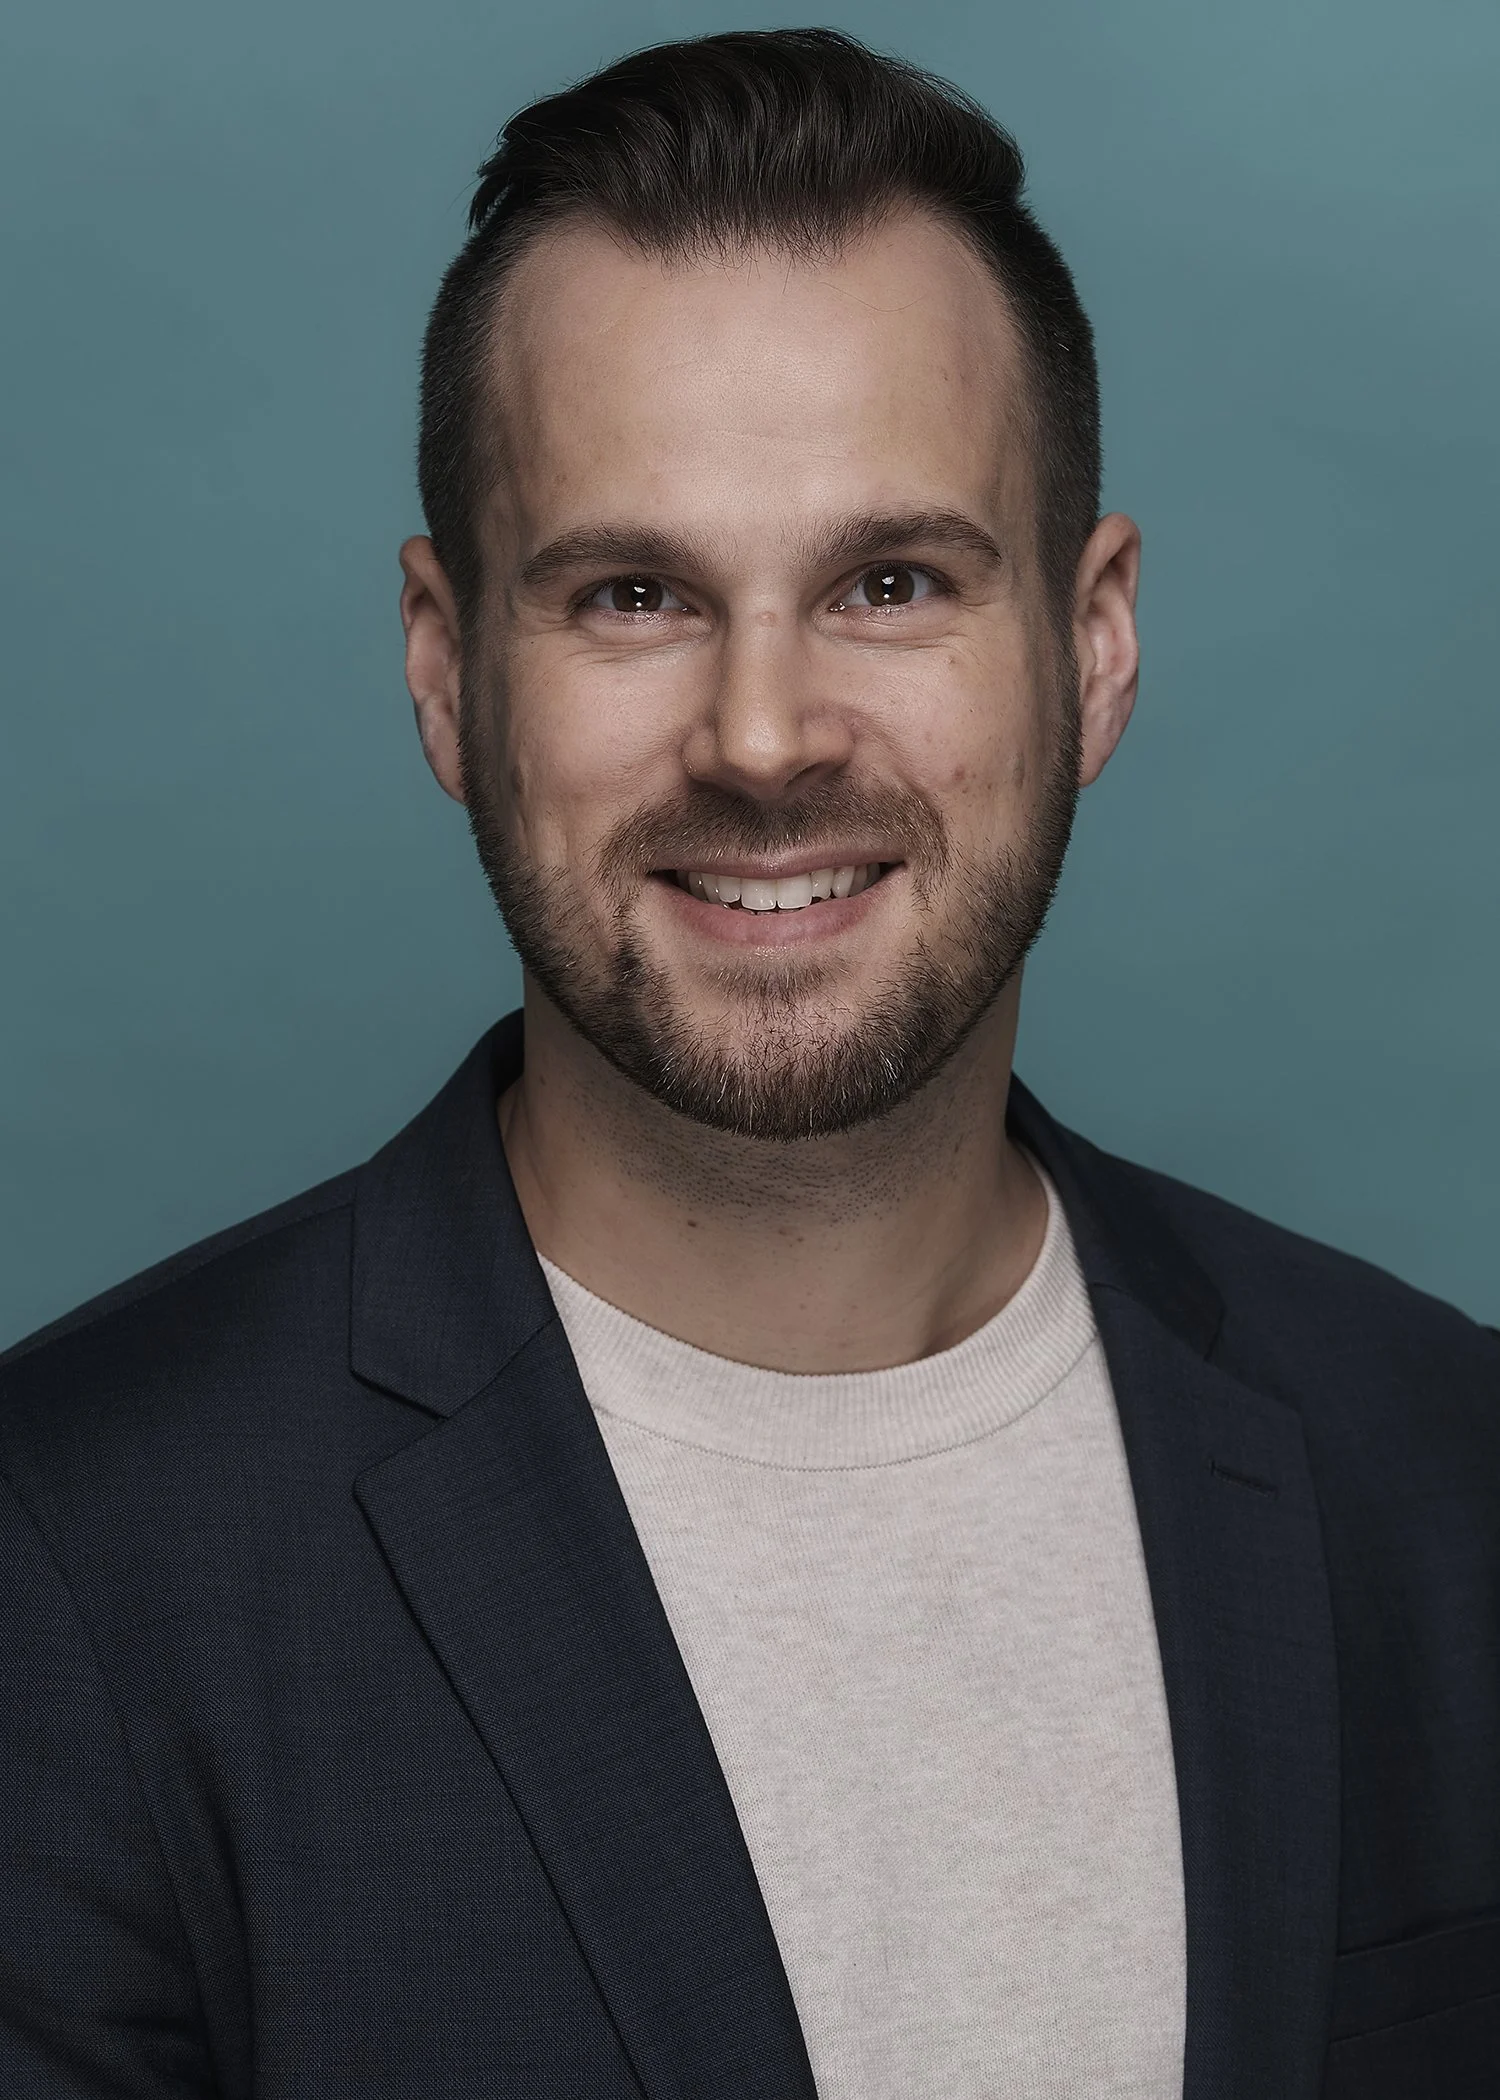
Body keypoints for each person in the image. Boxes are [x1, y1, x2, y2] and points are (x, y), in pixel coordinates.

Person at [1, 26, 1495, 2100]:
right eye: (632, 594)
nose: (768, 736)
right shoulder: (65, 1570)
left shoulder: (1447, 1482)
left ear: (1094, 645)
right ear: (447, 673)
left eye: (891, 583)